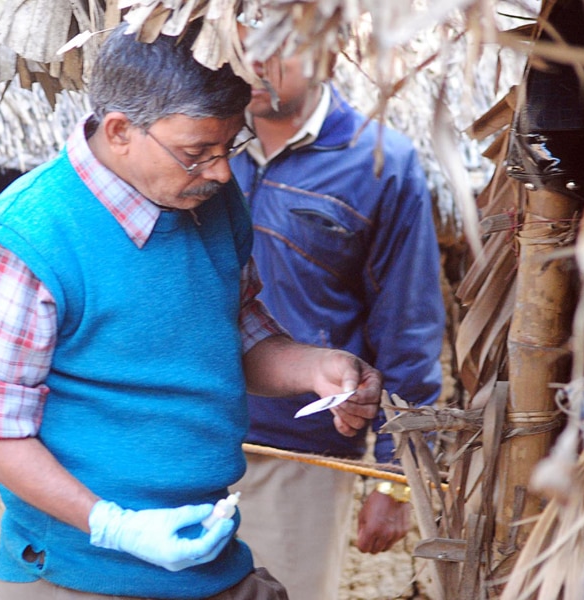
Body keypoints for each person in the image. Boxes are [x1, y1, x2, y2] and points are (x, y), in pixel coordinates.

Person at [0, 20, 384, 600]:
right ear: (121, 130)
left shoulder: (214, 201)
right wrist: (114, 525)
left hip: (213, 558)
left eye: (232, 146)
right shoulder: (30, 241)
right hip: (79, 574)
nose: (223, 171)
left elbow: (236, 335)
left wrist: (314, 368)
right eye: (198, 153)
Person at [228, 24, 446, 600]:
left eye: (274, 46)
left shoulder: (380, 163)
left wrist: (396, 474)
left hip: (300, 453)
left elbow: (408, 325)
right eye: (240, 44)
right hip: (183, 435)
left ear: (325, 46)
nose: (254, 63)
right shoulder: (201, 146)